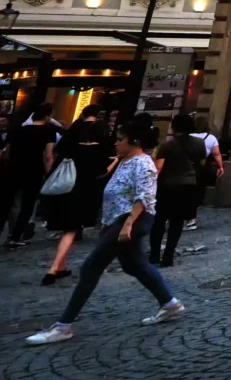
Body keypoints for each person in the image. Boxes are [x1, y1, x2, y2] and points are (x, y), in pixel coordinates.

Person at [24, 115, 185, 345]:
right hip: (117, 220)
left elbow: (145, 195)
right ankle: (170, 304)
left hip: (128, 221)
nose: (116, 143)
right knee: (134, 265)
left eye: (120, 139)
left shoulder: (142, 163)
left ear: (133, 141)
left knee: (91, 267)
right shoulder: (125, 160)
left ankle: (63, 326)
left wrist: (127, 224)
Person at [40, 105, 109, 284]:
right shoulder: (100, 144)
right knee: (71, 229)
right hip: (84, 191)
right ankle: (54, 269)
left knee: (67, 230)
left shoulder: (71, 141)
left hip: (65, 189)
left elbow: (57, 153)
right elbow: (102, 170)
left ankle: (60, 267)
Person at [149, 111, 206, 267]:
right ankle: (168, 255)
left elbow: (158, 168)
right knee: (177, 222)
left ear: (174, 128)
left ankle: (154, 255)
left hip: (167, 185)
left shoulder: (167, 145)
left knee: (159, 220)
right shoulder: (199, 144)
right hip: (188, 185)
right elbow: (201, 162)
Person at [6, 103, 60, 247]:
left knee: (8, 202)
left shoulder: (21, 129)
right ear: (47, 115)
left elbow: (9, 149)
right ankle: (16, 236)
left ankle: (8, 233)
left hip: (14, 168)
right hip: (33, 170)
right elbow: (49, 155)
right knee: (27, 205)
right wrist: (49, 171)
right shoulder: (48, 131)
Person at [187, 121, 225, 230]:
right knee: (198, 192)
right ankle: (192, 219)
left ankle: (177, 217)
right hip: (203, 167)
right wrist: (220, 167)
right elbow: (216, 154)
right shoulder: (211, 138)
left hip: (188, 166)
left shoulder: (189, 136)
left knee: (186, 192)